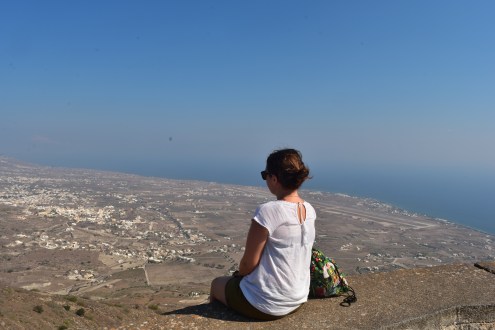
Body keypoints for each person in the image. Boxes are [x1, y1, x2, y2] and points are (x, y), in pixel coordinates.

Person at [209, 148, 316, 320]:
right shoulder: (309, 210)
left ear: (274, 178)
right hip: (298, 298)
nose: (265, 179)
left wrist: (238, 276)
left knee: (216, 284)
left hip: (266, 303)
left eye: (264, 175)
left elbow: (247, 264)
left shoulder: (268, 212)